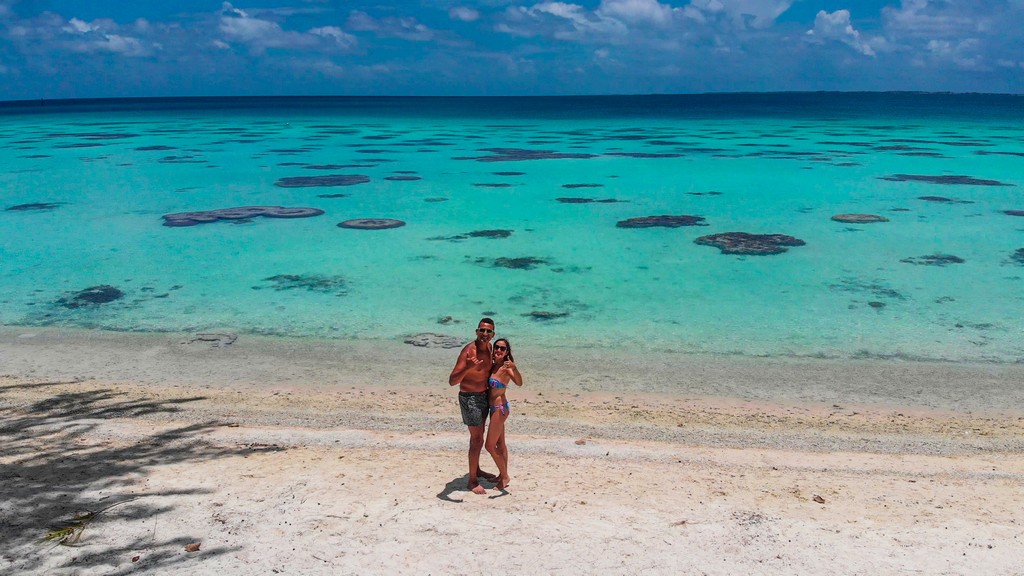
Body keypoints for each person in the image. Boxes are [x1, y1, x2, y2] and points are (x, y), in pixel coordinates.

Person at [449, 318, 499, 494]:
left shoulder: (490, 348)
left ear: (493, 334)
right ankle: (471, 481)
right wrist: (468, 367)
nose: (485, 334)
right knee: (477, 440)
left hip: (484, 396)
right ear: (476, 331)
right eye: (482, 330)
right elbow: (452, 381)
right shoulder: (468, 351)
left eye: (489, 331)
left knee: (479, 437)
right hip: (469, 397)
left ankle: (476, 470)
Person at [484, 338, 523, 491]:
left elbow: (519, 383)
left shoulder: (507, 368)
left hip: (500, 408)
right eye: (497, 347)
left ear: (507, 352)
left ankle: (505, 475)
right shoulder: (493, 366)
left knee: (489, 446)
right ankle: (502, 476)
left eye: (502, 348)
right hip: (493, 408)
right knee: (500, 445)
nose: (499, 350)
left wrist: (515, 368)